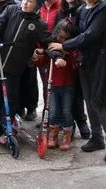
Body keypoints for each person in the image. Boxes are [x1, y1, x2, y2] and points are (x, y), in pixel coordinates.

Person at [49, 0, 106, 163]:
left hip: (102, 62)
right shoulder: (81, 9)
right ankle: (97, 138)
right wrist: (56, 41)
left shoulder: (104, 9)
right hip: (85, 61)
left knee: (98, 102)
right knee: (88, 100)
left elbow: (90, 35)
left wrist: (64, 46)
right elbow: (77, 32)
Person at [0, 0, 51, 138]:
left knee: (11, 96)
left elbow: (46, 42)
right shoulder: (11, 10)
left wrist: (46, 50)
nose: (25, 3)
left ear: (37, 5)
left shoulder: (39, 25)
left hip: (15, 66)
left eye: (30, 2)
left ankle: (9, 122)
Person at [32, 19, 79, 151]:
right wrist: (38, 56)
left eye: (66, 37)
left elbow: (76, 62)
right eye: (60, 36)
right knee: (52, 111)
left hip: (68, 85)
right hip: (52, 84)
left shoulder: (73, 48)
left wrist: (66, 57)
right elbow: (41, 63)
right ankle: (53, 134)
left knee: (66, 110)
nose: (62, 39)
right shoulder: (51, 46)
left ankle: (66, 135)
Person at [55, 0, 90, 139]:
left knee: (78, 93)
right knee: (68, 92)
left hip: (79, 55)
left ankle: (82, 121)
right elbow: (57, 35)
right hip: (64, 55)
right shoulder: (61, 12)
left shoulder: (83, 10)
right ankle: (70, 124)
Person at [8, 0, 38, 121]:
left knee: (30, 79)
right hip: (12, 46)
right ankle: (18, 108)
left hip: (29, 44)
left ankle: (31, 108)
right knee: (15, 80)